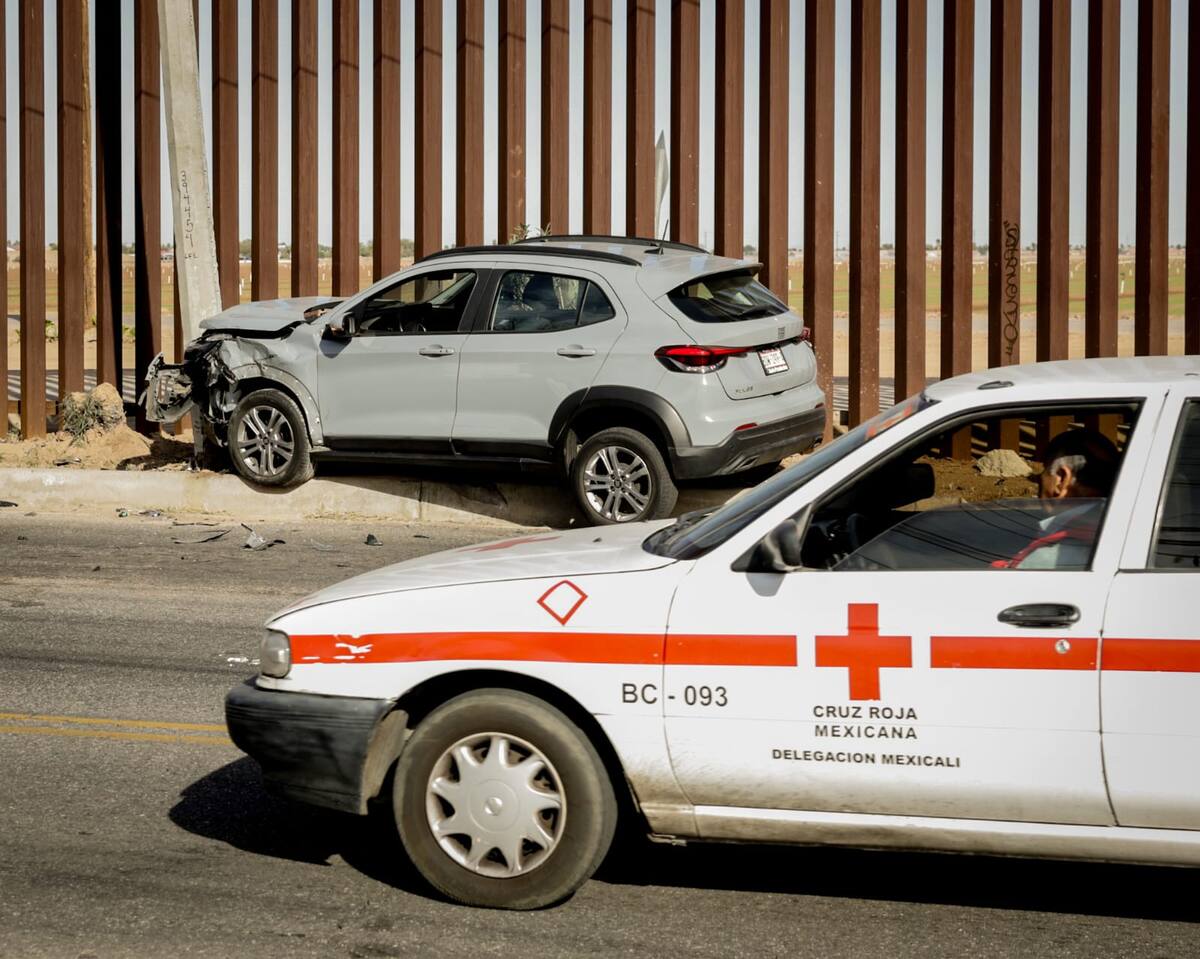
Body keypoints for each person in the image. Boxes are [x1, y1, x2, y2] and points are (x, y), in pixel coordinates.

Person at [996, 427, 1120, 570]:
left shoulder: (1048, 557)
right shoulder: (1115, 533)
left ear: (1061, 480)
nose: (1039, 480)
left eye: (1044, 472)